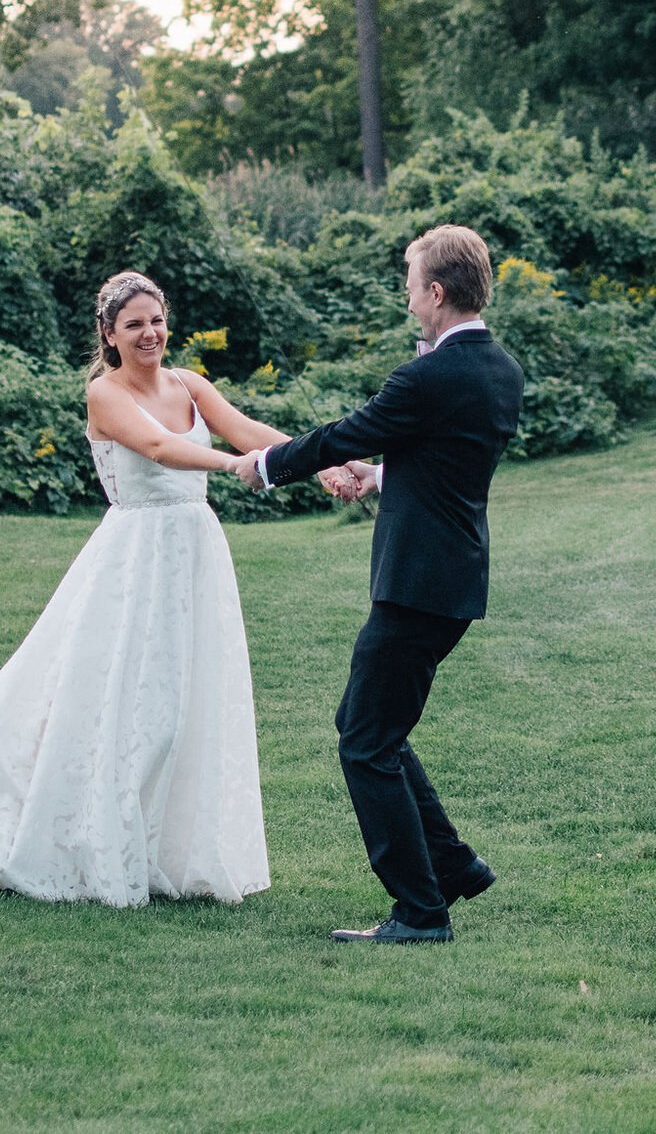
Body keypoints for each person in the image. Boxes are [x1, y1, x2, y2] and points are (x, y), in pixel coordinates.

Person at [0, 270, 342, 906]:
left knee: (184, 705)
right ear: (110, 335)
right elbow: (157, 445)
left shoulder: (189, 383)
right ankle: (59, 835)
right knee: (123, 703)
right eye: (134, 325)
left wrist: (323, 461)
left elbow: (250, 432)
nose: (150, 333)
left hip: (195, 556)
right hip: (133, 563)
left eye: (157, 320)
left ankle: (162, 852)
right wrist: (235, 467)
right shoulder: (105, 394)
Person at [233, 225, 524, 944]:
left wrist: (267, 466)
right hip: (450, 578)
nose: (404, 293)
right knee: (375, 731)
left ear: (435, 291)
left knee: (365, 742)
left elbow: (345, 431)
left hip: (418, 584)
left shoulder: (429, 374)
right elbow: (446, 458)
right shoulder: (499, 368)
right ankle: (454, 868)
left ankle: (420, 913)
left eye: (409, 280)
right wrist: (381, 473)